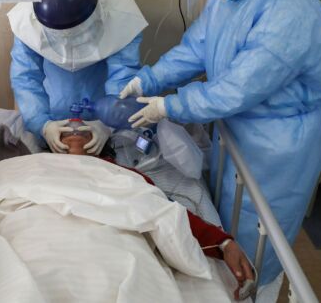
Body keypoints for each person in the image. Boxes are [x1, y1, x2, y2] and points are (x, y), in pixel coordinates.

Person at [121, 0, 321, 291]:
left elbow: (236, 89)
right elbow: (195, 49)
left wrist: (168, 106)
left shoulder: (289, 12)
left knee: (259, 239)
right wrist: (149, 81)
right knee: (225, 216)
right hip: (237, 129)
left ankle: (257, 291)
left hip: (278, 145)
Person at [59, 125, 255, 299]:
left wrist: (223, 242)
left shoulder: (122, 174)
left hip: (111, 244)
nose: (75, 129)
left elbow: (163, 210)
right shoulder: (34, 166)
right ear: (51, 145)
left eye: (84, 132)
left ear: (100, 146)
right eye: (65, 132)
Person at [8, 0, 148, 155]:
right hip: (50, 111)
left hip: (104, 111)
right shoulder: (26, 23)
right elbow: (25, 79)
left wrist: (109, 123)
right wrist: (42, 125)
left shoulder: (120, 14)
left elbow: (124, 76)